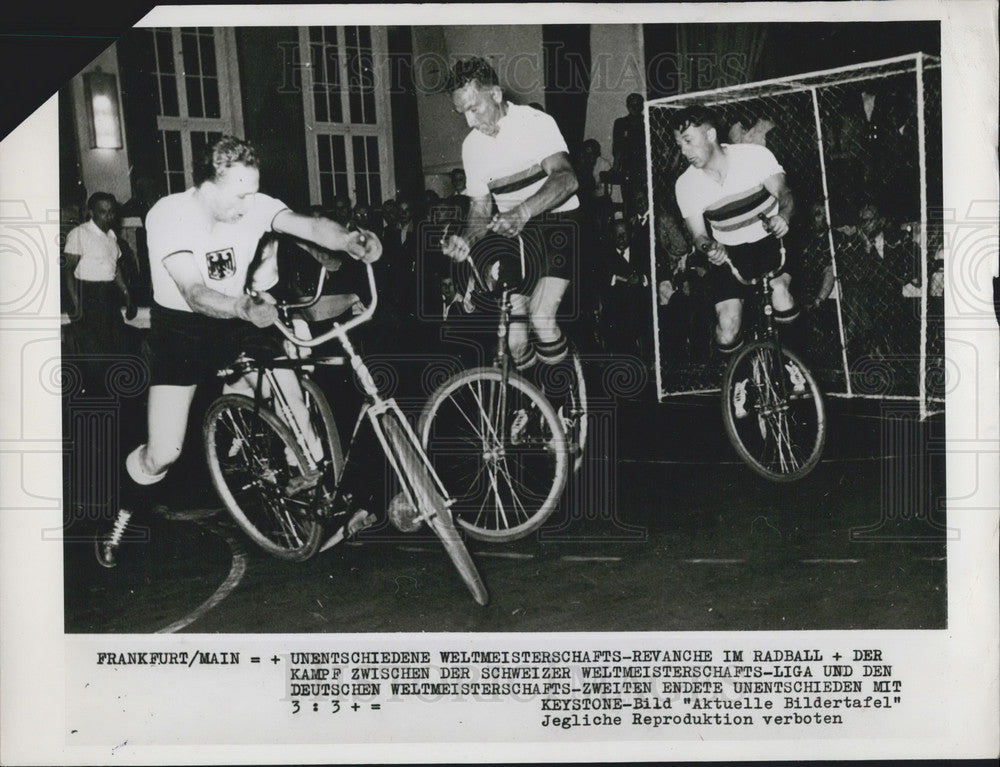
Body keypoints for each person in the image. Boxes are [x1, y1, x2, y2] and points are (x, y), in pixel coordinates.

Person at [95, 136, 381, 567]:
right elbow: (194, 293)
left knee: (291, 395)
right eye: (240, 195)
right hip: (183, 333)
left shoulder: (253, 203)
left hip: (238, 323)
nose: (250, 204)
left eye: (254, 192)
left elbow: (309, 226)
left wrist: (349, 240)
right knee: (163, 453)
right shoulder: (170, 214)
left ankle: (309, 486)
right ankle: (122, 511)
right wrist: (242, 306)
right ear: (208, 186)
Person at [441, 57, 581, 375]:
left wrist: (522, 211)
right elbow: (480, 209)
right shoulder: (472, 147)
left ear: (496, 94)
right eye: (463, 113)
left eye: (474, 108)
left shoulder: (534, 123)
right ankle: (535, 398)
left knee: (542, 318)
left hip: (559, 225)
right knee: (515, 341)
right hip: (519, 236)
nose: (470, 121)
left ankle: (561, 397)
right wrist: (466, 238)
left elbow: (567, 178)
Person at [671, 105, 797, 359]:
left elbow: (785, 194)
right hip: (730, 254)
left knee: (781, 296)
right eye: (679, 144)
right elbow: (699, 236)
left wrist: (783, 216)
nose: (684, 151)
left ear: (710, 135)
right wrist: (710, 248)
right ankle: (738, 376)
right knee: (727, 328)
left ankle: (793, 363)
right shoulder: (686, 184)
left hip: (771, 243)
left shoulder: (753, 156)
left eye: (688, 141)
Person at [62, 192, 135, 371]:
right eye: (103, 212)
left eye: (111, 212)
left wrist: (127, 296)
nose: (109, 216)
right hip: (87, 296)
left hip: (108, 297)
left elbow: (114, 269)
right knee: (96, 358)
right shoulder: (80, 233)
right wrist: (76, 305)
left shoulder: (111, 236)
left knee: (118, 350)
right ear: (91, 212)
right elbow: (68, 271)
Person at [613, 93, 648, 223]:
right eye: (632, 104)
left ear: (642, 106)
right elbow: (617, 148)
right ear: (627, 106)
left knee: (645, 202)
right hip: (628, 170)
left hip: (645, 169)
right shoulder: (621, 123)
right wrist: (616, 167)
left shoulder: (647, 121)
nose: (635, 107)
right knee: (629, 203)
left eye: (638, 104)